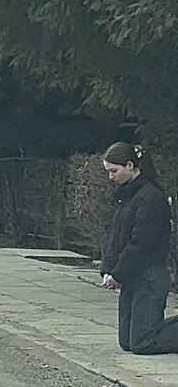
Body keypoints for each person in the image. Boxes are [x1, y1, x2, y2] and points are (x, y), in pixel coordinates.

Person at [101, 142, 178, 354]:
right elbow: (116, 237)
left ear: (129, 165)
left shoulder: (151, 198)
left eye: (114, 171)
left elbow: (141, 243)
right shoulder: (127, 197)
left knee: (141, 341)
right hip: (133, 275)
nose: (111, 177)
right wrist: (108, 269)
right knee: (127, 341)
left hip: (150, 275)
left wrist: (118, 273)